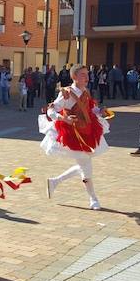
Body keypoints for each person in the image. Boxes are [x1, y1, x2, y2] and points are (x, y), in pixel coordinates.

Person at [39, 65, 109, 210]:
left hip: (88, 131)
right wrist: (64, 119)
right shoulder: (66, 93)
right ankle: (93, 198)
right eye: (83, 75)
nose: (87, 77)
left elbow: (90, 108)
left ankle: (55, 182)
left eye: (87, 74)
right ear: (74, 77)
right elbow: (52, 109)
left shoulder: (86, 91)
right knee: (86, 165)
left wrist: (100, 111)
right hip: (73, 134)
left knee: (84, 164)